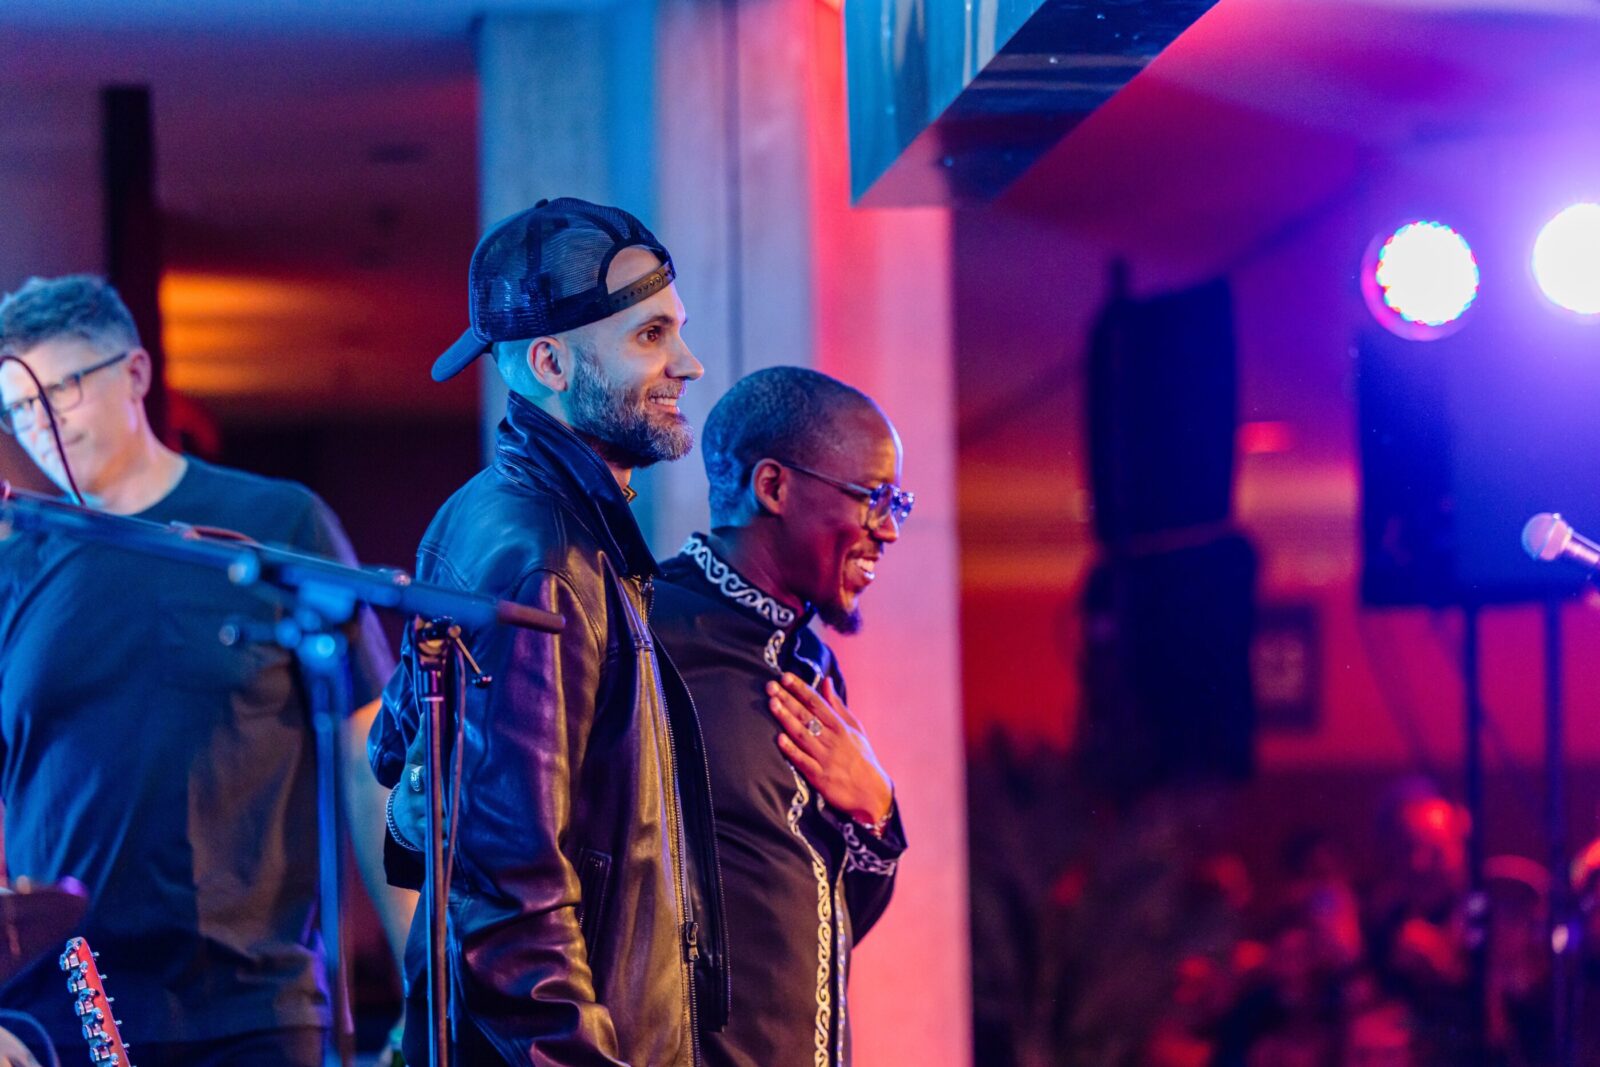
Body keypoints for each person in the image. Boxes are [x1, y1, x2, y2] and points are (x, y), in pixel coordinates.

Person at [0, 275, 409, 1067]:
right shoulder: (15, 565)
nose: (41, 423)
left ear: (136, 374)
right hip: (61, 1011)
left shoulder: (273, 524)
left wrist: (422, 972)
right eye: (19, 407)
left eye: (64, 388)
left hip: (252, 1001)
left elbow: (370, 759)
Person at [370, 197, 724, 1066]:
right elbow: (509, 892)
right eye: (649, 337)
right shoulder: (544, 556)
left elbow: (398, 766)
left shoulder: (491, 519)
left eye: (675, 330)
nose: (689, 362)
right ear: (550, 362)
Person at [650, 366, 909, 1066]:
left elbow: (827, 918)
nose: (887, 529)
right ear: (773, 487)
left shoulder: (814, 666)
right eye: (873, 497)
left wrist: (876, 813)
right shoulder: (649, 631)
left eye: (898, 503)